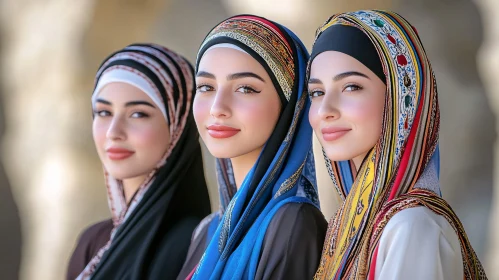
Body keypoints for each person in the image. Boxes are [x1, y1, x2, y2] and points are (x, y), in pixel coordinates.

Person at [308, 10, 487, 280]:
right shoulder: (349, 224)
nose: (325, 110)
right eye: (317, 92)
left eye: (351, 87)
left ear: (399, 97)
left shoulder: (411, 226)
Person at [177, 15, 327, 280]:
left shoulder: (292, 223)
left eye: (245, 88)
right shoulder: (208, 230)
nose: (217, 108)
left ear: (289, 105)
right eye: (206, 87)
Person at [67, 43, 211, 279]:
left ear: (178, 125)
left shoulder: (199, 245)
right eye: (103, 112)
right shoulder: (93, 242)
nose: (114, 132)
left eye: (138, 114)